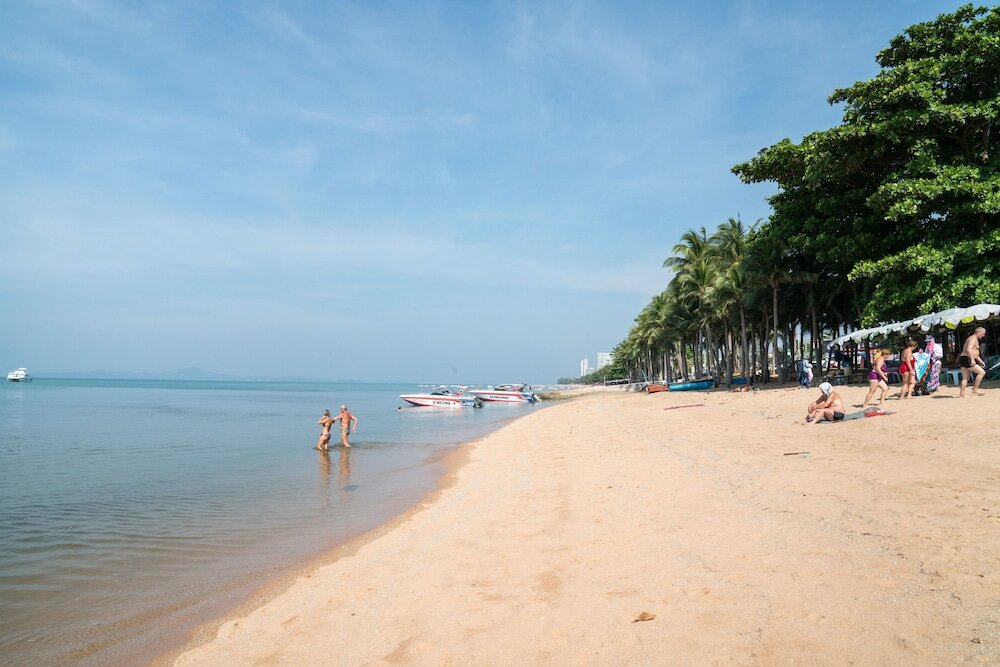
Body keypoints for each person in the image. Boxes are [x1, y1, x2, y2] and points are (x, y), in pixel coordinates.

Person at [959, 327, 987, 397]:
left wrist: (980, 361)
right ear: (979, 332)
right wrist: (972, 360)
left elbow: (975, 352)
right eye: (983, 334)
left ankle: (962, 393)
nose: (983, 336)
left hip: (964, 358)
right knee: (982, 372)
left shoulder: (972, 338)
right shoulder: (973, 338)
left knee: (966, 378)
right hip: (967, 358)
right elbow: (969, 349)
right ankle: (975, 389)